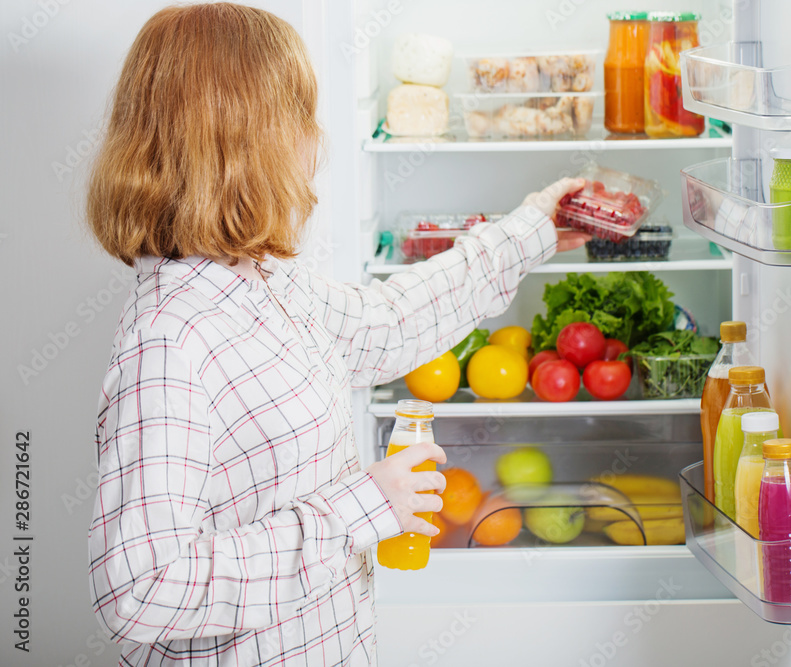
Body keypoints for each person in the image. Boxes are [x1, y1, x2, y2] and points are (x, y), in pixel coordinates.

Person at [85, 4, 586, 666]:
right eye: (300, 118)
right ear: (242, 140)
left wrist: (533, 228)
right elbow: (141, 590)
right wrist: (363, 505)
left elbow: (385, 323)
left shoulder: (259, 281)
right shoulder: (170, 340)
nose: (314, 142)